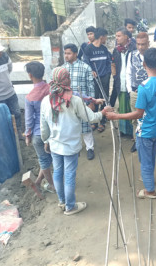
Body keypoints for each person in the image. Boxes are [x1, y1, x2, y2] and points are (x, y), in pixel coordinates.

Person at [40, 67, 110, 215]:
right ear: (66, 80)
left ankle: (62, 201)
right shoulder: (74, 100)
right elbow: (91, 118)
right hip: (70, 145)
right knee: (69, 174)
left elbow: (43, 126)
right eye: (68, 77)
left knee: (58, 172)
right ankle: (70, 207)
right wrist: (103, 112)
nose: (70, 79)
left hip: (54, 144)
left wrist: (46, 140)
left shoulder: (46, 100)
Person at [106, 48, 156, 199]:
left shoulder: (144, 87)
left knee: (145, 160)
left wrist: (116, 116)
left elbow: (138, 113)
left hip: (146, 130)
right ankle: (149, 179)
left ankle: (150, 191)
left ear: (144, 63)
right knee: (150, 155)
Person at [25, 61, 55, 193]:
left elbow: (29, 119)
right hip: (54, 130)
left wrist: (27, 135)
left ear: (30, 75)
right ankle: (38, 182)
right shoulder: (51, 89)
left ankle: (52, 186)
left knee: (43, 159)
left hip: (38, 133)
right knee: (52, 157)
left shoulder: (30, 97)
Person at [63, 43, 96, 160]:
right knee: (72, 126)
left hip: (83, 102)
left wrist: (91, 102)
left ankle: (90, 148)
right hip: (68, 103)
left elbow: (90, 86)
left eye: (69, 53)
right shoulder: (62, 69)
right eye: (65, 53)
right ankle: (75, 148)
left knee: (86, 125)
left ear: (75, 54)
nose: (66, 56)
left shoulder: (85, 67)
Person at [83, 28, 112, 133]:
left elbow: (109, 62)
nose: (106, 39)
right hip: (94, 79)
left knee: (105, 98)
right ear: (101, 37)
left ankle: (103, 121)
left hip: (104, 77)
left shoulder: (104, 49)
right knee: (94, 99)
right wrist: (91, 70)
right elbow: (85, 62)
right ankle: (94, 121)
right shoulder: (88, 49)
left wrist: (108, 74)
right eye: (106, 37)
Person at [126, 32, 149, 152]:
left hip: (149, 92)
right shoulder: (131, 55)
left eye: (143, 44)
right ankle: (137, 141)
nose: (141, 47)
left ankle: (148, 140)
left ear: (148, 43)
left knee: (148, 116)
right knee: (136, 118)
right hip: (135, 91)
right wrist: (130, 90)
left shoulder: (152, 55)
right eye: (139, 44)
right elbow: (128, 73)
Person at [111, 27, 136, 135]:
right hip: (120, 81)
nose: (117, 38)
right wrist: (115, 76)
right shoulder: (116, 50)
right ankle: (123, 130)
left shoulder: (133, 49)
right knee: (122, 106)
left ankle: (132, 131)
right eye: (116, 36)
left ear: (126, 36)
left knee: (131, 107)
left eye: (119, 36)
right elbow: (113, 64)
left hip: (130, 81)